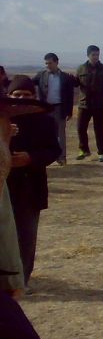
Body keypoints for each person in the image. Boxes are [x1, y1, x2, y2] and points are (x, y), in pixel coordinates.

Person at [6, 76, 61, 285]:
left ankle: (22, 281)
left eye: (26, 95)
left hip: (30, 186)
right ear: (9, 95)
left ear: (34, 97)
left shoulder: (44, 120)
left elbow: (53, 149)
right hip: (2, 185)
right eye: (16, 94)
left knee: (26, 237)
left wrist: (30, 158)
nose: (21, 98)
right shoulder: (1, 118)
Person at [33, 52, 77, 165]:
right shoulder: (41, 75)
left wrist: (69, 111)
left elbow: (70, 95)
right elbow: (29, 83)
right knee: (44, 133)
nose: (48, 65)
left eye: (50, 63)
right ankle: (45, 157)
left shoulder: (65, 77)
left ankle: (61, 158)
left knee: (60, 134)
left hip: (59, 108)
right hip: (45, 109)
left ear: (57, 62)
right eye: (46, 63)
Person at [75, 45, 103, 162]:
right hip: (84, 104)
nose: (96, 57)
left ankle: (102, 153)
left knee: (99, 129)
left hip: (99, 104)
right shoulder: (81, 68)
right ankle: (84, 150)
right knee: (81, 128)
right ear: (88, 55)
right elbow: (75, 83)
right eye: (93, 55)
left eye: (97, 55)